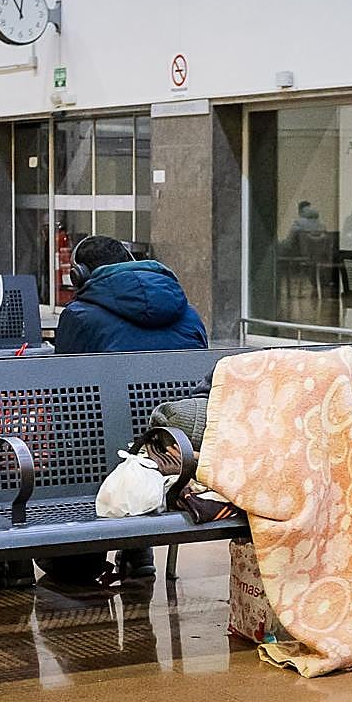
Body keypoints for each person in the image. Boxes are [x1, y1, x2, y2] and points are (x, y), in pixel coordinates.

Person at [45, 235, 208, 582]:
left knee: (75, 434)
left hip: (105, 456)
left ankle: (80, 561)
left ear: (78, 275)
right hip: (176, 452)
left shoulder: (79, 316)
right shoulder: (189, 314)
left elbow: (65, 399)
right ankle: (137, 549)